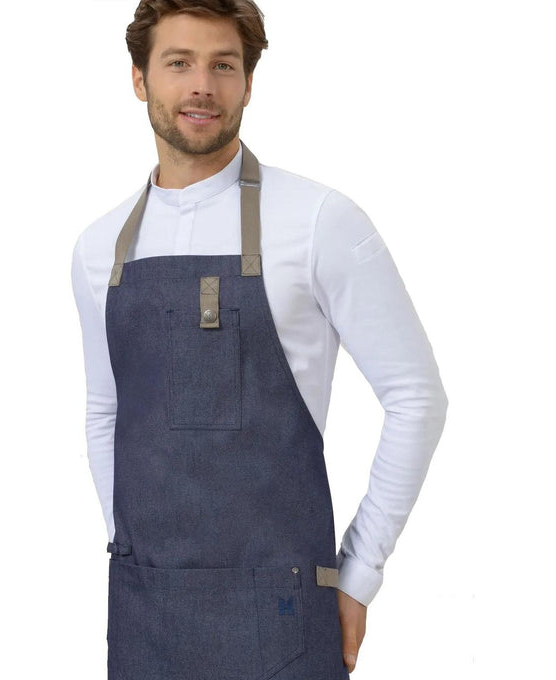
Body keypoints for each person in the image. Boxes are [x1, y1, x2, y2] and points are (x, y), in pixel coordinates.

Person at [70, 1, 449, 678]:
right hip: (146, 615)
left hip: (286, 621)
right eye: (179, 63)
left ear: (248, 83)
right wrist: (134, 550)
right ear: (139, 78)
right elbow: (106, 412)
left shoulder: (321, 222)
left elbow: (417, 397)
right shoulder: (100, 249)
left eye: (223, 66)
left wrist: (359, 574)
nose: (202, 87)